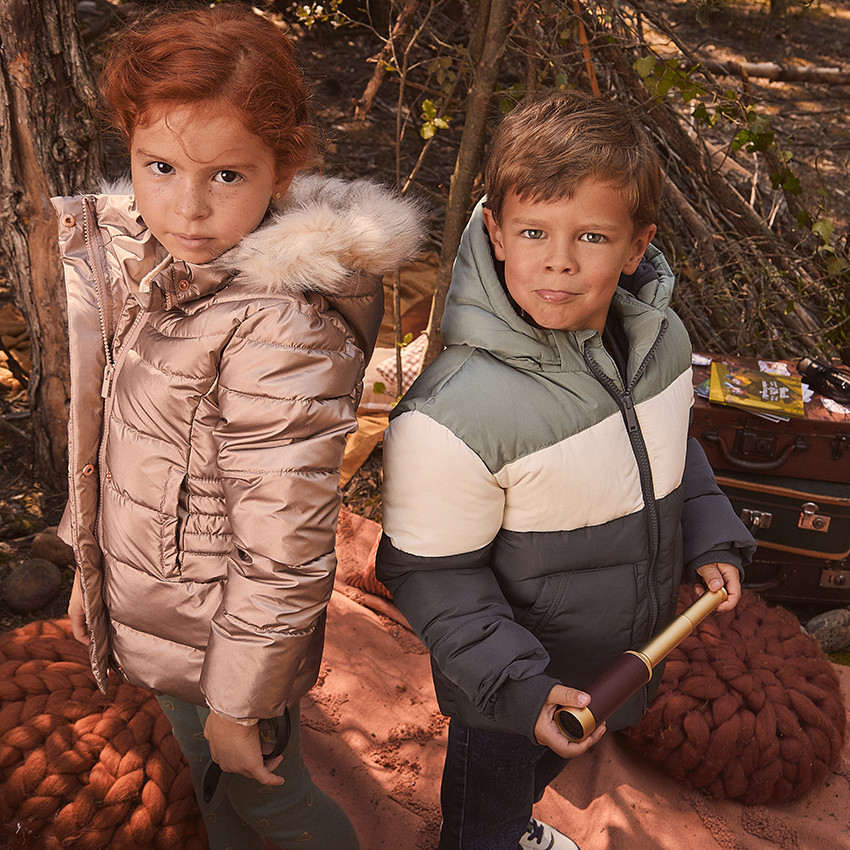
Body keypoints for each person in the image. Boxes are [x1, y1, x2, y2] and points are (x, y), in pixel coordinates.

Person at [55, 6, 423, 849]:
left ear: (281, 170)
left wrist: (240, 697)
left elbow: (285, 541)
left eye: (226, 175)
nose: (186, 206)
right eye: (159, 167)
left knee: (273, 802)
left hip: (226, 641)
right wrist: (92, 563)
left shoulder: (279, 326)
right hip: (168, 615)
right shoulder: (161, 270)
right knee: (217, 788)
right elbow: (120, 446)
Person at [375, 90, 756, 850]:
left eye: (590, 236)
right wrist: (519, 688)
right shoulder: (455, 413)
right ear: (496, 232)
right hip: (508, 683)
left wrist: (711, 538)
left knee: (533, 783)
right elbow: (433, 576)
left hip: (609, 658)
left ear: (636, 246)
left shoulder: (662, 346)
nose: (558, 259)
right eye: (534, 231)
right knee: (485, 809)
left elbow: (671, 448)